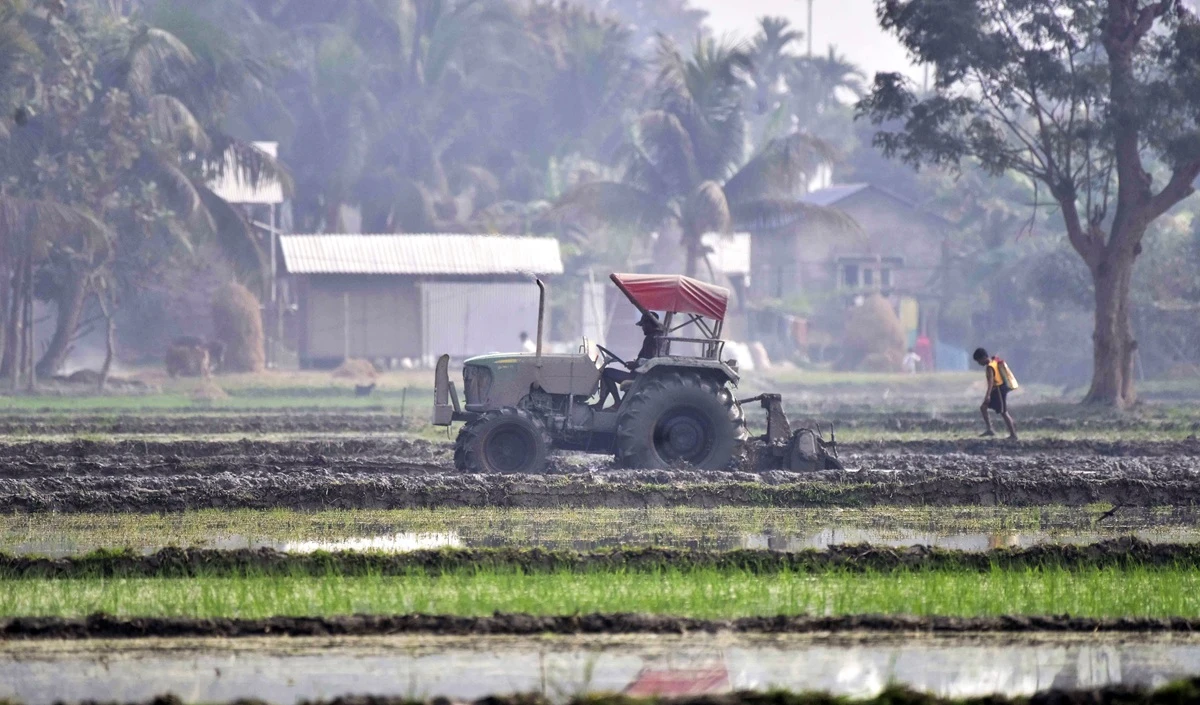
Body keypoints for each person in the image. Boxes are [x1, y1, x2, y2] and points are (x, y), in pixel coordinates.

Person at [595, 312, 663, 409]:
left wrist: (634, 364)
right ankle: (602, 403)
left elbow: (650, 360)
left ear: (650, 324)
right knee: (607, 372)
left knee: (606, 372)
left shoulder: (652, 338)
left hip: (639, 377)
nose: (642, 328)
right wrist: (634, 364)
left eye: (643, 325)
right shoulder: (657, 337)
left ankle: (614, 403)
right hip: (640, 374)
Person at [974, 347, 1018, 440]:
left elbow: (990, 382)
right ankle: (990, 429)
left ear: (984, 357)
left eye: (979, 361)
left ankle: (1013, 435)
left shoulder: (990, 367)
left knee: (1004, 412)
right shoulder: (994, 361)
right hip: (996, 390)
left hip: (998, 390)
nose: (979, 363)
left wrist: (987, 395)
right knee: (983, 407)